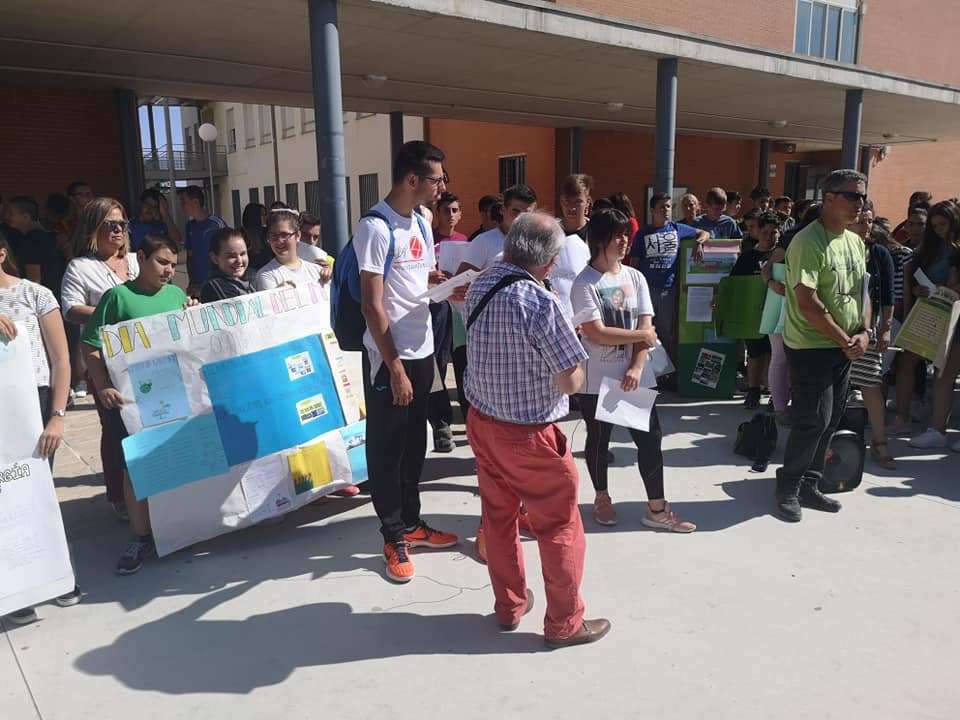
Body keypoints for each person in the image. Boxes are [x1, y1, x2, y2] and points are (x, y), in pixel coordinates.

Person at [465, 211, 610, 648]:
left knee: (498, 519)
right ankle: (564, 623)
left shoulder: (480, 285)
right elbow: (571, 380)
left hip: (483, 422)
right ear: (548, 263)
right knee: (560, 525)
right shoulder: (541, 302)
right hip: (529, 435)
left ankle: (509, 605)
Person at [353, 140, 460, 583]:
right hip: (390, 357)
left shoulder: (422, 220)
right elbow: (372, 305)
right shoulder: (375, 227)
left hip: (423, 349)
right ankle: (392, 534)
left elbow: (413, 278)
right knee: (388, 447)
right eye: (437, 179)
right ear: (413, 179)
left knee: (415, 443)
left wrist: (438, 282)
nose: (442, 187)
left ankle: (412, 523)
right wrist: (394, 366)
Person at [571, 209, 695, 532]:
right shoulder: (584, 283)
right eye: (617, 234)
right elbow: (597, 333)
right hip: (597, 380)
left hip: (634, 377)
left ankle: (656, 509)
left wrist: (637, 367)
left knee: (650, 440)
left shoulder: (635, 277)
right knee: (599, 441)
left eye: (626, 233)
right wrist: (642, 335)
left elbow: (647, 326)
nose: (624, 240)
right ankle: (601, 497)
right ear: (599, 239)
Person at [81, 234, 197, 574]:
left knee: (175, 460)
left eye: (173, 265)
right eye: (162, 262)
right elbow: (90, 344)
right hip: (131, 399)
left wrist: (193, 314)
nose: (168, 270)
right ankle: (140, 536)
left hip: (176, 395)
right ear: (141, 257)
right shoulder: (118, 297)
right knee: (135, 468)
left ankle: (177, 526)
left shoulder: (177, 295)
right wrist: (102, 384)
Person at [776, 169, 868, 522]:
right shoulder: (807, 241)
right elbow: (808, 303)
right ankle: (788, 486)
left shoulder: (854, 241)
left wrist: (864, 331)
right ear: (828, 198)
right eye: (852, 196)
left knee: (831, 419)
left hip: (843, 345)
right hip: (811, 344)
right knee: (812, 420)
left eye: (863, 196)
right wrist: (846, 340)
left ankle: (810, 483)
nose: (860, 203)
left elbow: (863, 291)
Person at [0, 230, 81, 624]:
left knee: (36, 489)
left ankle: (56, 574)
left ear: (2, 254)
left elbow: (61, 360)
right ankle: (16, 586)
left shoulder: (35, 294)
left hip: (33, 400)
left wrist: (57, 416)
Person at [60, 198, 140, 518]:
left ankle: (151, 488)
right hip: (104, 361)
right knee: (116, 427)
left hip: (146, 356)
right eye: (111, 224)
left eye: (123, 224)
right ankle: (120, 496)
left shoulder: (137, 259)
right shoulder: (80, 267)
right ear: (94, 227)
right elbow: (70, 309)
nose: (118, 230)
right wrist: (113, 313)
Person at [903, 201, 960, 446]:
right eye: (934, 226)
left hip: (954, 316)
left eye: (943, 224)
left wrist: (946, 288)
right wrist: (919, 289)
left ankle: (938, 430)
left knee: (944, 375)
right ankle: (937, 430)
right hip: (939, 315)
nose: (939, 230)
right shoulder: (930, 248)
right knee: (942, 375)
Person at [629, 192, 708, 365]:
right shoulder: (643, 233)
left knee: (666, 332)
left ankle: (667, 369)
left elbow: (704, 233)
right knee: (644, 329)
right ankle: (645, 367)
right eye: (661, 207)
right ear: (652, 210)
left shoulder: (677, 228)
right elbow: (634, 263)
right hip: (647, 290)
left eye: (668, 206)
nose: (666, 210)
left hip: (668, 290)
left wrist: (699, 243)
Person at [762, 203, 823, 424]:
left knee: (802, 359)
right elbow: (768, 268)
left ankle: (799, 405)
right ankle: (779, 407)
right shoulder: (791, 238)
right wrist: (771, 283)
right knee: (780, 357)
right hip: (781, 304)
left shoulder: (832, 241)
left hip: (811, 306)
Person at [847, 210, 896, 469]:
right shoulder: (837, 248)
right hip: (835, 325)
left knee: (871, 383)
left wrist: (885, 328)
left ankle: (879, 442)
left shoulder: (879, 254)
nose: (866, 226)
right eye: (861, 221)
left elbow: (888, 294)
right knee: (832, 385)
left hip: (868, 327)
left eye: (869, 221)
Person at [731, 211, 780, 409]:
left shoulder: (783, 256)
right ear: (757, 232)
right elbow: (734, 285)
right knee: (754, 353)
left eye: (773, 232)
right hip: (753, 315)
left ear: (779, 232)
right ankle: (753, 391)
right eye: (765, 231)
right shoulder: (747, 257)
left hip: (777, 313)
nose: (769, 236)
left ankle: (776, 394)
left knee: (777, 355)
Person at [459, 184, 537, 273]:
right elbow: (462, 279)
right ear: (503, 210)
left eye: (526, 214)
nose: (519, 218)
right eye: (515, 212)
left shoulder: (538, 243)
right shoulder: (484, 241)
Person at [253, 209, 332, 291]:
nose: (279, 241)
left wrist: (331, 278)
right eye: (274, 236)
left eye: (285, 235)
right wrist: (278, 292)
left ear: (298, 236)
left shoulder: (317, 270)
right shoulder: (266, 275)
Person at [552, 174, 593, 317]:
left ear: (588, 202)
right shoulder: (548, 233)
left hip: (590, 308)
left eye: (577, 202)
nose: (571, 208)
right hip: (558, 310)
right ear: (560, 201)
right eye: (566, 202)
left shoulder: (598, 233)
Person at [179, 185, 227, 296]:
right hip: (197, 285)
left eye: (184, 202)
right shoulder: (189, 226)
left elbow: (226, 253)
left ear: (196, 202)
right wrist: (192, 281)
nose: (181, 206)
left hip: (216, 282)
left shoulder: (216, 224)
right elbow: (190, 256)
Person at [200, 228, 255, 302]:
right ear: (215, 259)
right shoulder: (215, 286)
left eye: (242, 254)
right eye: (231, 256)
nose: (239, 261)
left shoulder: (244, 282)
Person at [241, 202, 272, 270]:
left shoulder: (266, 232)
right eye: (263, 215)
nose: (266, 217)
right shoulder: (244, 234)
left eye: (266, 214)